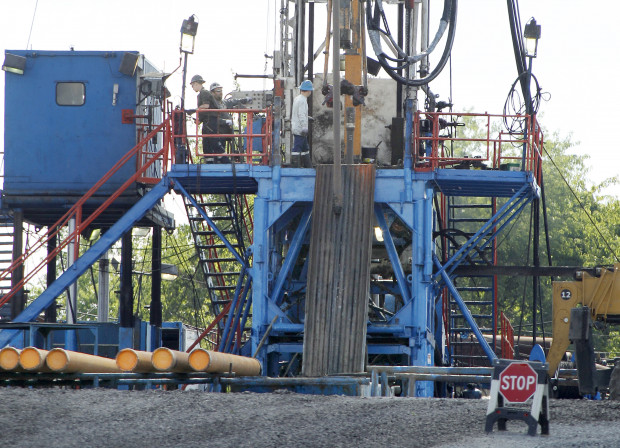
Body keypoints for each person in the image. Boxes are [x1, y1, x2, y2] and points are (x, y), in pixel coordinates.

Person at [189, 75, 229, 163]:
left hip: (211, 121)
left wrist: (194, 110)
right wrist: (198, 120)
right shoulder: (201, 94)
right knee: (206, 144)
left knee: (214, 142)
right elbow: (204, 112)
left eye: (192, 85)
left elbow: (206, 106)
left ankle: (226, 161)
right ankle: (209, 162)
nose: (192, 87)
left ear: (196, 83)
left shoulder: (204, 93)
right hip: (207, 121)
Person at [291, 80, 313, 168]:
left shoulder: (297, 98)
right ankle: (295, 167)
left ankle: (308, 166)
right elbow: (301, 114)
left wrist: (307, 118)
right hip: (300, 129)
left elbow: (298, 113)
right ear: (308, 91)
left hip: (297, 126)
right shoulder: (303, 101)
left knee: (305, 148)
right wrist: (304, 126)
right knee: (297, 147)